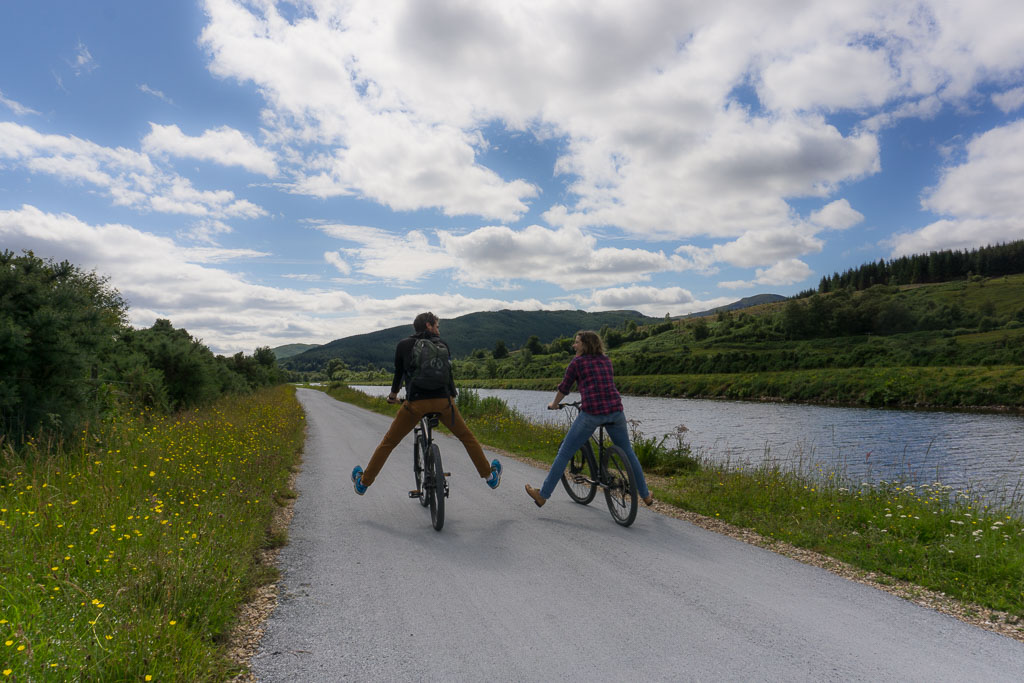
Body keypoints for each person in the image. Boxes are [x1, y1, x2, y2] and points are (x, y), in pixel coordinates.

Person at [352, 312, 501, 495]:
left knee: (389, 442)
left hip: (415, 405)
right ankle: (490, 477)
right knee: (466, 437)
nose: (438, 330)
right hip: (444, 403)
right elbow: (447, 377)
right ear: (429, 325)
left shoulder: (404, 345)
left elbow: (399, 376)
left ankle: (363, 483)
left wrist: (393, 396)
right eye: (437, 326)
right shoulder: (442, 345)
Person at [525, 330, 653, 508]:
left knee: (565, 452)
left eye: (577, 342)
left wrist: (554, 404)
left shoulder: (577, 363)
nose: (573, 345)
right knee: (628, 452)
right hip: (616, 412)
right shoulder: (606, 360)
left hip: (592, 413)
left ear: (585, 345)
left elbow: (564, 388)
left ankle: (543, 495)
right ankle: (646, 495)